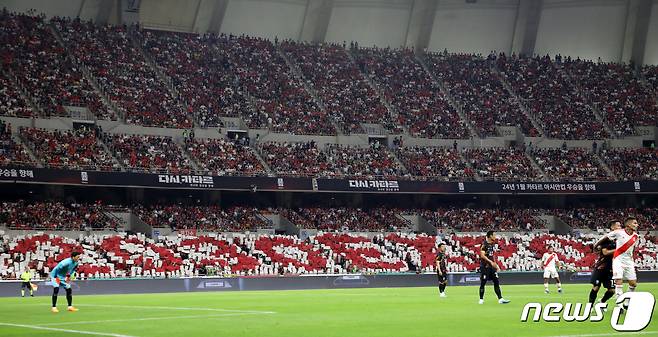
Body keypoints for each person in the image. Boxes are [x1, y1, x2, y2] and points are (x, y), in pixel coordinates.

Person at [594, 216, 640, 301]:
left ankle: (626, 301)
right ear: (628, 224)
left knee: (633, 284)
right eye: (635, 223)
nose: (637, 225)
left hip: (629, 261)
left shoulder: (636, 236)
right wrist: (596, 245)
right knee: (618, 281)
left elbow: (632, 250)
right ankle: (619, 303)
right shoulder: (619, 232)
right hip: (618, 259)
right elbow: (605, 238)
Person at [589, 220, 621, 305]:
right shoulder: (606, 239)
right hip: (601, 267)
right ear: (612, 227)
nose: (620, 227)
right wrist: (619, 250)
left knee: (612, 290)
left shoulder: (620, 239)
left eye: (620, 226)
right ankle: (590, 306)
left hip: (611, 268)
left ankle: (602, 302)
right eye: (618, 226)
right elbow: (605, 252)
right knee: (596, 287)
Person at [478, 231, 510, 304]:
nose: (495, 236)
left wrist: (495, 264)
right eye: (494, 235)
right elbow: (482, 255)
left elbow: (492, 255)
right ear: (490, 236)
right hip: (485, 267)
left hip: (492, 268)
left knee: (496, 282)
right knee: (483, 283)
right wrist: (491, 262)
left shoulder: (492, 244)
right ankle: (481, 299)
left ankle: (500, 298)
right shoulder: (484, 245)